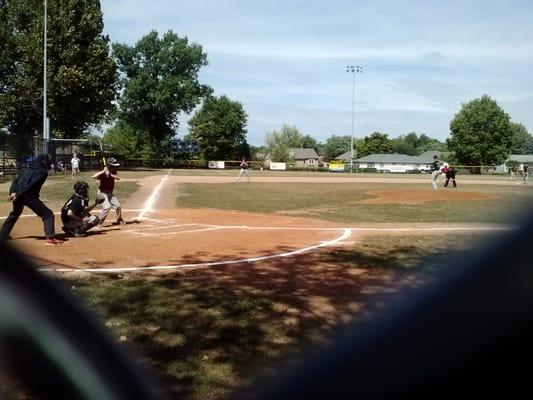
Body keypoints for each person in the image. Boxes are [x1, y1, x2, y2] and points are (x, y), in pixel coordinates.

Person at [0, 154, 63, 245]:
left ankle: (3, 235)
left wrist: (13, 193)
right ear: (43, 162)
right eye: (47, 161)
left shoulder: (27, 168)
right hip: (28, 196)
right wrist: (17, 194)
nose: (49, 163)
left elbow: (15, 181)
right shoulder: (42, 172)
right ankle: (50, 238)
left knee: (15, 213)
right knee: (48, 214)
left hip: (19, 195)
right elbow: (30, 185)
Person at [92, 157, 125, 225]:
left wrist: (110, 174)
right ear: (110, 165)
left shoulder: (113, 171)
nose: (115, 167)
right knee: (107, 207)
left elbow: (118, 178)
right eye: (114, 165)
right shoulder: (103, 172)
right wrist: (103, 172)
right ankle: (99, 221)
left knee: (118, 206)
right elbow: (93, 177)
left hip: (109, 193)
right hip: (102, 193)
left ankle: (119, 219)